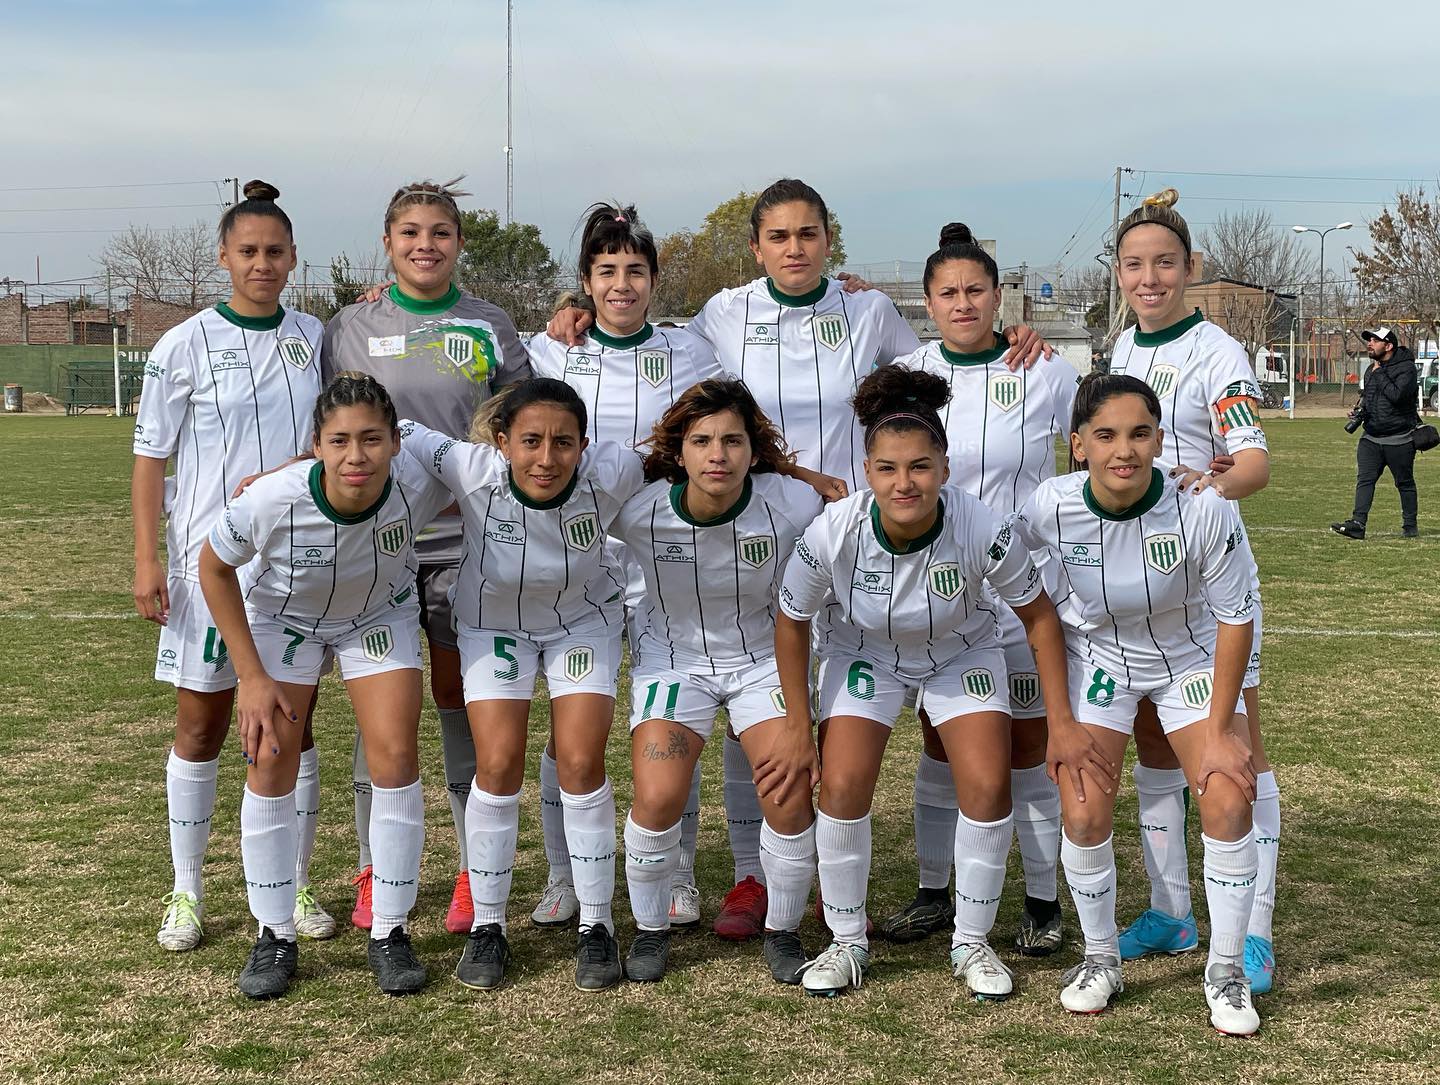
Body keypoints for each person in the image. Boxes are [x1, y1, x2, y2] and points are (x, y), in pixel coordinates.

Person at [548, 179, 1052, 943]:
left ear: (829, 241)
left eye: (808, 234)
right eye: (779, 236)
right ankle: (739, 875)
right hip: (730, 531)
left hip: (850, 534)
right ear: (756, 247)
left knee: (795, 719)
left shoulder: (868, 309)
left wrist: (1013, 336)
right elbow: (651, 340)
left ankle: (813, 881)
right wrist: (576, 309)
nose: (794, 248)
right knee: (721, 713)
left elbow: (930, 369)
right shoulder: (721, 314)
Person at [773, 365, 1078, 999]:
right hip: (865, 654)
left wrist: (1064, 722)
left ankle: (971, 942)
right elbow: (792, 617)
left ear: (943, 465)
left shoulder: (981, 527)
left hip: (959, 653)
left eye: (919, 466)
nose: (903, 482)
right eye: (887, 468)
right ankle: (846, 942)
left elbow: (1040, 617)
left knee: (989, 783)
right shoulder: (834, 531)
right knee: (846, 781)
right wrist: (798, 725)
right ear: (866, 470)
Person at [1013, 373, 1261, 1036]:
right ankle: (1100, 959)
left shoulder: (1202, 504)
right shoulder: (1050, 505)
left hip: (1190, 662)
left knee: (1229, 793)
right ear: (1078, 444)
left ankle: (1227, 970)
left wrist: (1217, 730)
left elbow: (1237, 616)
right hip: (1102, 665)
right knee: (1085, 806)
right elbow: (1014, 577)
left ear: (1158, 438)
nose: (1123, 449)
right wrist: (1060, 719)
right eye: (1106, 434)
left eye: (1139, 432)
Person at [322, 178, 531, 937]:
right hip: (370, 545)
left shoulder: (489, 323)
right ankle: (377, 866)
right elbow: (326, 427)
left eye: (440, 231)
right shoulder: (348, 324)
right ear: (388, 241)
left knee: (456, 698)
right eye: (410, 231)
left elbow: (521, 420)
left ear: (459, 242)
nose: (425, 244)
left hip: (459, 546)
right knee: (378, 704)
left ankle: (477, 873)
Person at [198, 375, 452, 997]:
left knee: (395, 758)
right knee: (271, 760)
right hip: (284, 620)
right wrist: (251, 678)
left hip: (378, 616)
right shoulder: (273, 497)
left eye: (371, 439)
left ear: (395, 442)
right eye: (338, 441)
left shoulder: (420, 481)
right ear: (315, 445)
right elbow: (213, 567)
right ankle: (274, 933)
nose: (355, 456)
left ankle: (390, 931)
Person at [132, 181, 330, 953]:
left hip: (293, 568)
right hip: (205, 568)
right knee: (201, 722)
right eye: (247, 251)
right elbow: (151, 458)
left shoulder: (314, 334)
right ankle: (186, 889)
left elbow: (335, 428)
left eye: (275, 251)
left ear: (292, 258)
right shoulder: (181, 343)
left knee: (293, 727)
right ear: (223, 257)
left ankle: (294, 878)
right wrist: (147, 557)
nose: (262, 263)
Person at [398, 378, 646, 992]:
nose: (546, 457)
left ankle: (595, 925)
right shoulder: (468, 465)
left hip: (583, 624)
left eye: (564, 442)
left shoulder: (614, 468)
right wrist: (302, 461)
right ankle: (489, 926)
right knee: (500, 763)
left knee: (582, 762)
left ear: (585, 444)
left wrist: (797, 475)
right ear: (502, 441)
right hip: (493, 625)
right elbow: (398, 429)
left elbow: (685, 448)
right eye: (530, 441)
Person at [527, 202, 726, 931]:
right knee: (567, 730)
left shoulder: (693, 353)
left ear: (653, 277)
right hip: (570, 563)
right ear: (583, 282)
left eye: (634, 270)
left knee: (671, 717)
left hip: (664, 563)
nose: (621, 285)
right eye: (605, 271)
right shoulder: (549, 351)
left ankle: (676, 869)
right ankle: (562, 875)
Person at [881, 224, 1079, 957]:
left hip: (1024, 596)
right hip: (937, 596)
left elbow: (1093, 445)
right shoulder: (906, 376)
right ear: (927, 301)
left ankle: (1042, 901)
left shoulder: (1045, 369)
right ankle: (936, 890)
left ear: (1000, 297)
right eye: (947, 292)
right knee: (938, 746)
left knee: (1028, 750)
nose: (962, 303)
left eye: (975, 290)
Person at [1105, 189, 1279, 995]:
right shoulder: (1118, 346)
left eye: (1164, 263)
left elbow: (1252, 462)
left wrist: (1205, 489)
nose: (1150, 277)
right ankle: (1172, 910)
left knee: (1236, 746)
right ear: (1120, 273)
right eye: (1135, 264)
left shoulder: (1217, 351)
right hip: (1137, 579)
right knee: (1152, 737)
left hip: (1207, 573)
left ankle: (1253, 933)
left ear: (1190, 269)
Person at [610, 379, 824, 984]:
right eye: (701, 441)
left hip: (763, 663)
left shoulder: (790, 502)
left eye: (732, 440)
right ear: (678, 453)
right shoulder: (639, 509)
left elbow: (851, 504)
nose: (718, 455)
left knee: (786, 799)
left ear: (754, 452)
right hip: (673, 661)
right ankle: (650, 931)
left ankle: (783, 931)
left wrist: (815, 480)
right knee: (657, 798)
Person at [1332, 326, 1419, 540]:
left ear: (1388, 346)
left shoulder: (1406, 369)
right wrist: (1359, 410)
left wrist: (1380, 373)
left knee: (1404, 483)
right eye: (1369, 340)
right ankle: (1358, 524)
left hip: (1399, 438)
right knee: (1365, 480)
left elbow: (1397, 396)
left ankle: (1410, 526)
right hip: (1371, 437)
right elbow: (1370, 397)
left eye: (1375, 340)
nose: (1369, 344)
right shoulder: (1371, 369)